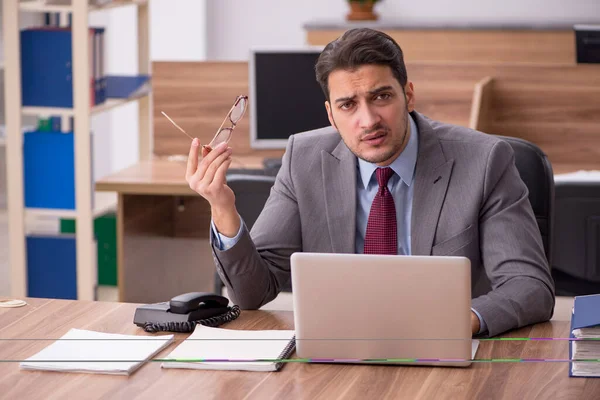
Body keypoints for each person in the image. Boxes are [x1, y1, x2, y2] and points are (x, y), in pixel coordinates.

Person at [185, 28, 555, 337]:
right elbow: (253, 293)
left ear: (408, 95)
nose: (368, 120)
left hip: (444, 349)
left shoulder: (484, 160)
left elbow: (529, 286)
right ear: (331, 114)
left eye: (381, 97)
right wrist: (222, 206)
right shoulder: (304, 158)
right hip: (336, 351)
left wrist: (462, 321)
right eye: (348, 105)